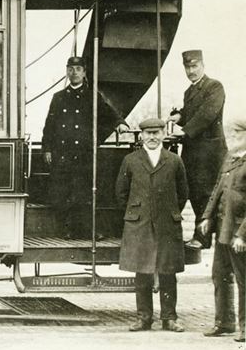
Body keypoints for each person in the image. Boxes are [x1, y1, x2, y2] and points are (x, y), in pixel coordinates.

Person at [116, 117, 189, 333]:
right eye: (148, 133)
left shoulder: (175, 161)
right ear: (142, 136)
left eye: (156, 133)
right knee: (143, 271)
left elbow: (183, 193)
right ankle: (143, 318)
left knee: (168, 271)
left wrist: (169, 210)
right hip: (140, 224)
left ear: (163, 135)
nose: (152, 137)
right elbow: (121, 193)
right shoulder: (130, 160)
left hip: (167, 223)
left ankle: (170, 318)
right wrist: (137, 212)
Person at [41, 56, 127, 237]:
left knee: (83, 192)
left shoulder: (92, 96)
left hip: (83, 154)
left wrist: (119, 123)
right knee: (63, 192)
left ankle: (86, 231)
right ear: (67, 71)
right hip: (62, 153)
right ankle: (67, 231)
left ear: (84, 72)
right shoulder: (59, 97)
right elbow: (49, 126)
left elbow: (109, 113)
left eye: (78, 69)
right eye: (71, 69)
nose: (74, 73)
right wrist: (47, 149)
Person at [168, 49, 227, 246]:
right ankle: (203, 237)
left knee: (206, 194)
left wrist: (184, 131)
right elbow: (193, 112)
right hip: (193, 152)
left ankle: (203, 238)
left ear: (203, 65)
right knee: (193, 192)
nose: (191, 71)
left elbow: (207, 114)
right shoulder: (190, 91)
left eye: (195, 66)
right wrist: (180, 116)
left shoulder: (214, 86)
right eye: (188, 67)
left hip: (209, 153)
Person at [199, 117, 246, 344]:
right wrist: (207, 216)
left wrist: (242, 235)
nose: (231, 138)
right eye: (229, 134)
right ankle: (224, 322)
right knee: (219, 275)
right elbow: (217, 189)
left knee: (243, 280)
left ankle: (245, 329)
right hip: (222, 229)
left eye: (236, 134)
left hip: (238, 234)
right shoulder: (229, 159)